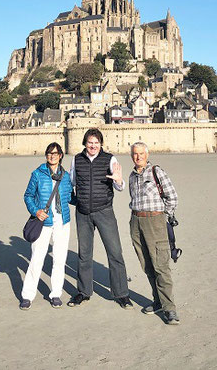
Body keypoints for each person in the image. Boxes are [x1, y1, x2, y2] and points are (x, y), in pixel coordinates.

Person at [67, 128, 133, 309]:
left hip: (104, 211)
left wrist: (118, 180)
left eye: (96, 142)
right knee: (84, 254)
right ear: (85, 143)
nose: (93, 146)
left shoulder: (110, 159)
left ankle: (121, 294)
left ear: (101, 144)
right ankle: (83, 291)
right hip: (83, 213)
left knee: (115, 252)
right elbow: (71, 183)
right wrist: (76, 201)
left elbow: (120, 187)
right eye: (90, 142)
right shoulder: (76, 160)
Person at [128, 141, 180, 325]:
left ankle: (170, 309)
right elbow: (132, 198)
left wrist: (162, 215)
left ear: (147, 155)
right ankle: (157, 301)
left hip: (155, 221)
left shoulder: (157, 172)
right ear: (131, 156)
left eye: (141, 153)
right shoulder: (132, 177)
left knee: (161, 266)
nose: (138, 156)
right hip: (136, 221)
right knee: (147, 264)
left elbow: (172, 197)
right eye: (135, 153)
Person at [20, 142, 73, 310]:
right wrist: (36, 211)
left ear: (61, 155)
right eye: (50, 153)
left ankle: (55, 294)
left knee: (59, 259)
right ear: (46, 155)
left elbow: (70, 196)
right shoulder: (37, 174)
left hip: (62, 222)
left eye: (56, 153)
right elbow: (28, 195)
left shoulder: (65, 176)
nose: (52, 156)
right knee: (37, 258)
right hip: (44, 221)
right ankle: (27, 295)